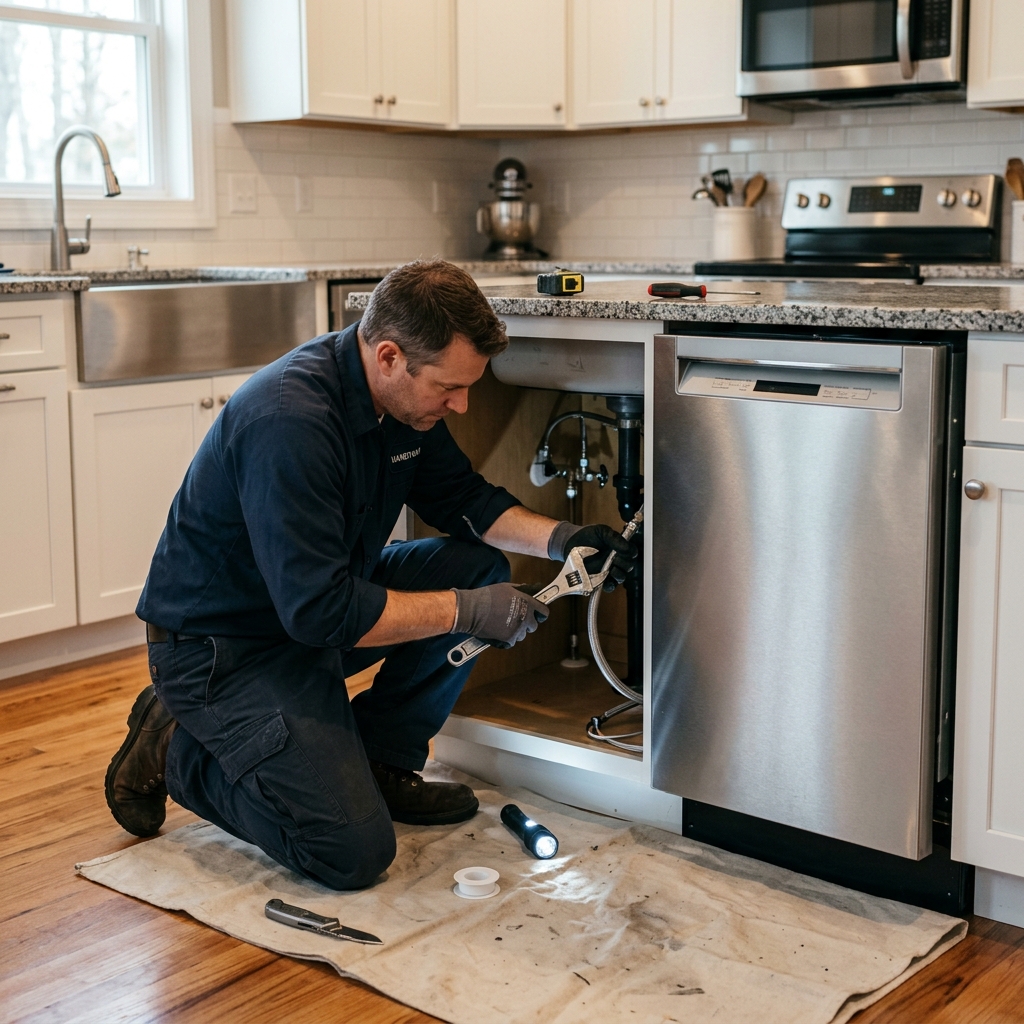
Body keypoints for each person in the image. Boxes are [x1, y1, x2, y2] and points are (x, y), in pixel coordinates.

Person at [104, 259, 637, 891]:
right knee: (349, 851)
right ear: (390, 357)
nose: (462, 404)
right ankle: (178, 749)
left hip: (309, 611)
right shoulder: (291, 422)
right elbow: (321, 612)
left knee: (475, 567)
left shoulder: (403, 407)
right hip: (223, 649)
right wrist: (468, 611)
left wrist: (565, 540)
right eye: (450, 387)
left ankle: (383, 762)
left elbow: (463, 499)